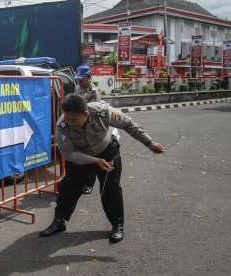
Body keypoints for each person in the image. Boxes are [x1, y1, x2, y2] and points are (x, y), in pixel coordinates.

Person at [40, 94, 165, 242]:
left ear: (85, 114)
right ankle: (59, 221)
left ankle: (117, 225)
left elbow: (128, 124)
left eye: (73, 119)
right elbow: (69, 154)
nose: (68, 122)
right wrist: (94, 160)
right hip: (80, 155)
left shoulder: (102, 112)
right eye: (66, 118)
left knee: (110, 189)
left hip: (106, 150)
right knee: (69, 188)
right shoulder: (62, 125)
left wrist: (149, 142)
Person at [74, 64, 120, 195]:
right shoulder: (77, 87)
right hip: (78, 125)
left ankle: (89, 184)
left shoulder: (94, 93)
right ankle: (81, 181)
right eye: (78, 79)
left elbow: (91, 113)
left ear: (89, 77)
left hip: (90, 127)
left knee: (91, 156)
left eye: (81, 79)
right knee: (81, 157)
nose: (79, 81)